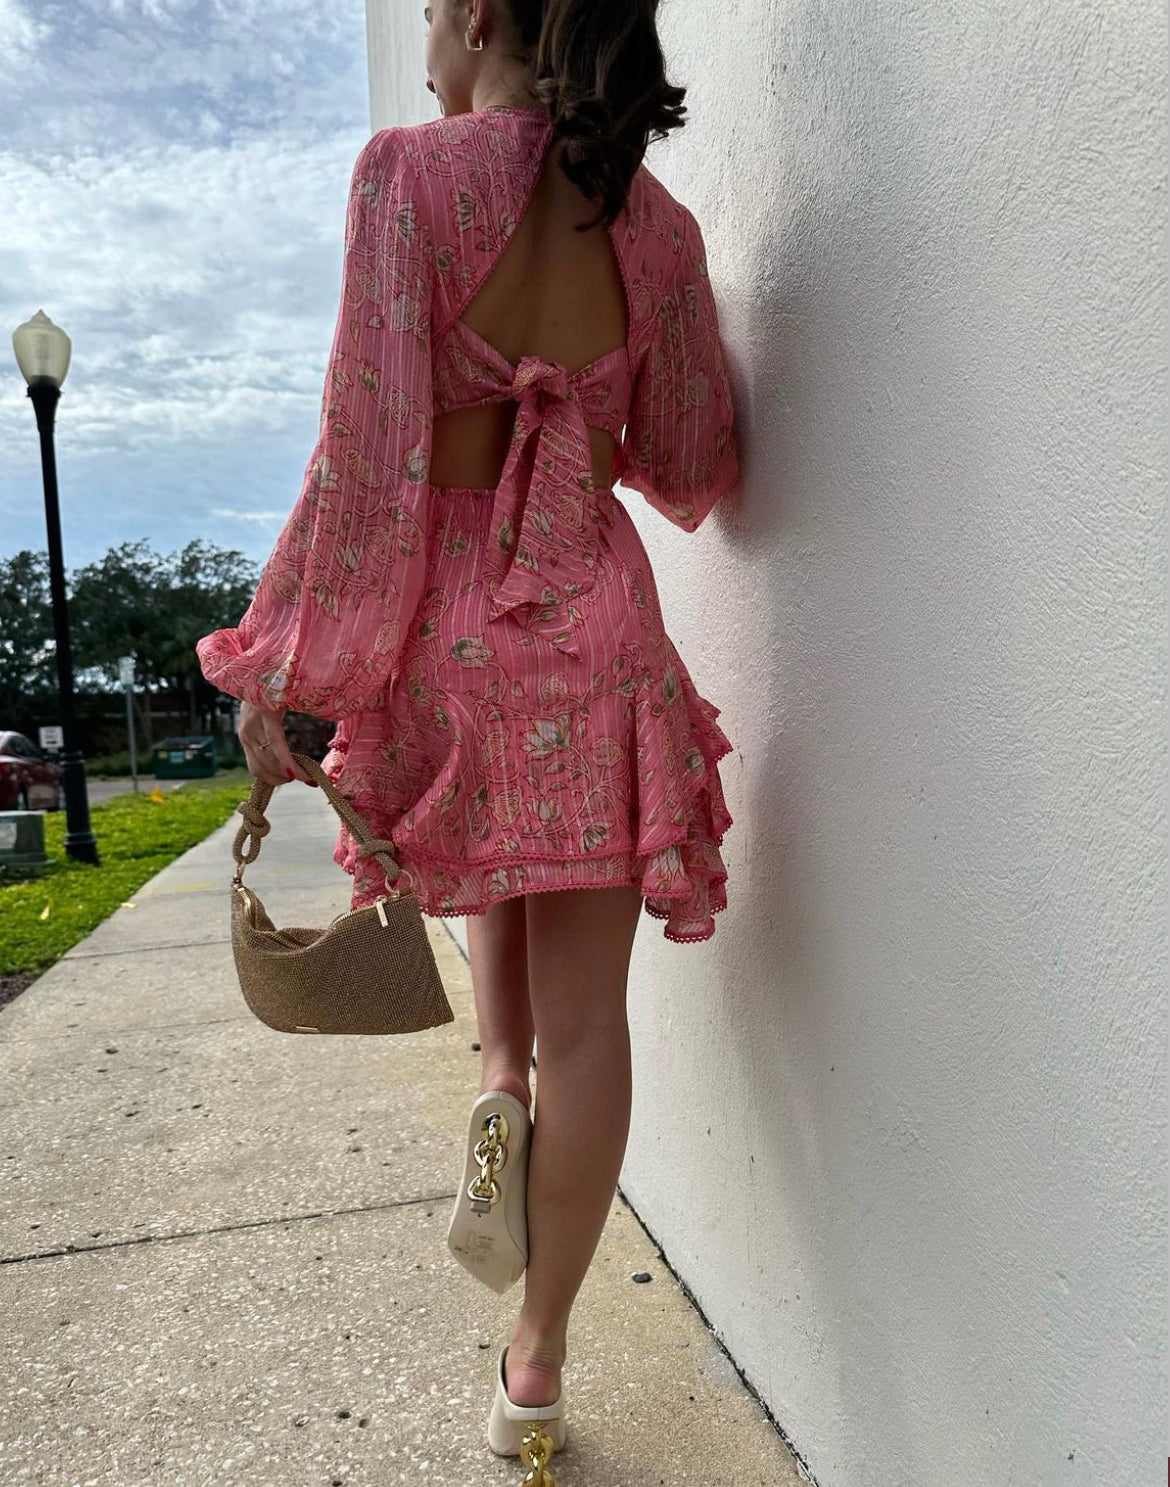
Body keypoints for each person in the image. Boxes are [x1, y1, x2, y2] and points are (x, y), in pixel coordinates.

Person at [196, 0, 740, 1475]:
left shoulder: (408, 176)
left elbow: (365, 448)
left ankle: (498, 1083)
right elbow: (693, 459)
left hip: (450, 630)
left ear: (482, 16)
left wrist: (283, 666)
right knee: (593, 1022)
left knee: (487, 864)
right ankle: (537, 1366)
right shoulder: (657, 225)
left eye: (430, 13)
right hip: (595, 623)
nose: (427, 43)